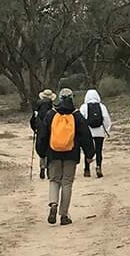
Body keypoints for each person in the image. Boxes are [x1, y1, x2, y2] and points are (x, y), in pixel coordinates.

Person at [36, 86, 94, 225]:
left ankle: (53, 203)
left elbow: (43, 135)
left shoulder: (51, 114)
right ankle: (64, 215)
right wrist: (89, 154)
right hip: (71, 154)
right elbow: (86, 136)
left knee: (54, 180)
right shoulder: (76, 115)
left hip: (53, 153)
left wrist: (42, 152)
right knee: (67, 182)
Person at [81, 88, 113, 178]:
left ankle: (87, 169)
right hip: (99, 132)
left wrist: (82, 132)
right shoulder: (102, 106)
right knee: (98, 151)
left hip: (88, 132)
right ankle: (98, 167)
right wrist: (106, 130)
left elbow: (81, 120)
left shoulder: (84, 107)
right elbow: (106, 118)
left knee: (88, 151)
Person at [30, 88, 55, 178]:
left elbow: (32, 121)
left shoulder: (37, 107)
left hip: (40, 131)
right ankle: (49, 169)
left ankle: (42, 168)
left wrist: (35, 130)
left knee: (41, 150)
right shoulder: (52, 108)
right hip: (51, 131)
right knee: (50, 150)